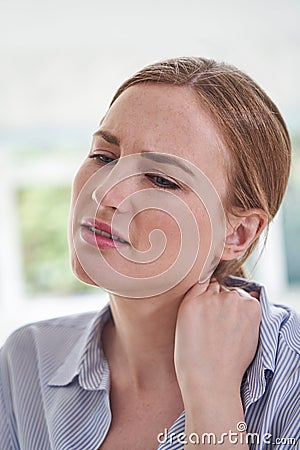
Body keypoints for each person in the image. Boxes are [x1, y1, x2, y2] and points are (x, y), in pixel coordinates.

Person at [0, 57, 299, 450]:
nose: (105, 193)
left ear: (239, 233)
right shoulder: (27, 360)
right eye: (104, 157)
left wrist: (212, 396)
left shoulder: (291, 376)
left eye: (161, 180)